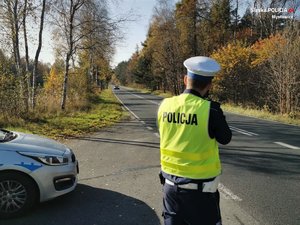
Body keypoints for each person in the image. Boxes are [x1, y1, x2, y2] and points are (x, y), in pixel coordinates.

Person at [157, 56, 232, 225]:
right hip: (201, 195)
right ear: (209, 85)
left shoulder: (164, 105)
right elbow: (225, 138)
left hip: (170, 189)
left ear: (185, 80)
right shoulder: (210, 110)